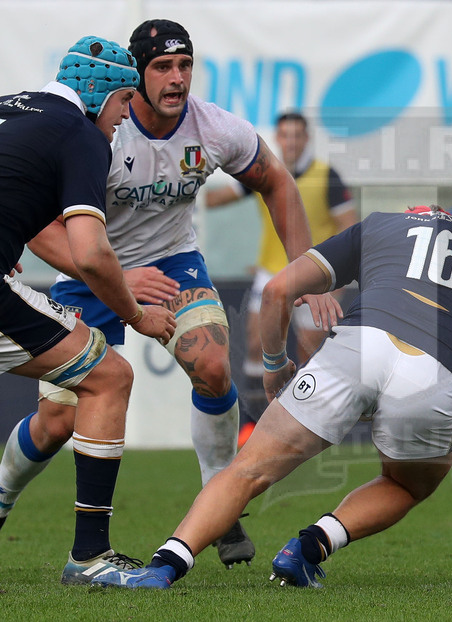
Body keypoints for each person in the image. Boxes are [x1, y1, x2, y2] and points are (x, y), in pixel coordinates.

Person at [89, 204, 452, 590]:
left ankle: (164, 566)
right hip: (431, 375)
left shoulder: (381, 225)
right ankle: (310, 547)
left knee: (246, 470)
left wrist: (274, 368)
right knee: (407, 483)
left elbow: (281, 290)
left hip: (352, 351)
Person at [5, 19, 320, 572]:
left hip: (175, 266)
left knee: (215, 364)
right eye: (161, 68)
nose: (176, 79)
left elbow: (276, 180)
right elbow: (38, 227)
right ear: (134, 76)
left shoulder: (214, 128)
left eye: (184, 65)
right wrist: (121, 279)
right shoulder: (98, 128)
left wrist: (304, 272)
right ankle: (5, 493)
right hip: (91, 272)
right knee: (57, 421)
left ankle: (218, 502)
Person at [0, 35, 175, 584]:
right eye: (126, 102)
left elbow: (33, 226)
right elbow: (92, 252)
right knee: (109, 376)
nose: (125, 118)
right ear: (101, 92)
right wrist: (137, 313)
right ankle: (90, 556)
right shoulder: (79, 133)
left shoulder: (12, 109)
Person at [207, 111, 357, 426]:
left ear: (306, 139)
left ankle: (308, 423)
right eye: (285, 136)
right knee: (254, 342)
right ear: (278, 139)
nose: (290, 142)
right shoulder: (264, 172)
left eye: (296, 136)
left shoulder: (326, 176)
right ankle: (254, 421)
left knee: (310, 348)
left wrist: (339, 277)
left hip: (314, 274)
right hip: (270, 271)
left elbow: (349, 226)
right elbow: (215, 199)